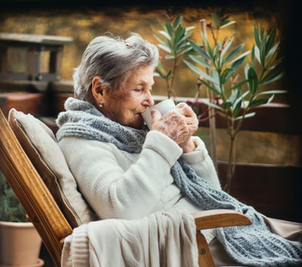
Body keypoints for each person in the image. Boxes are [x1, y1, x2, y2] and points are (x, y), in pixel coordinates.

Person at [56, 32, 302, 266]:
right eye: (139, 89)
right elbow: (121, 209)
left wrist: (185, 146)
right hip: (195, 242)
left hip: (220, 228)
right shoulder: (82, 140)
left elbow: (211, 194)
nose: (150, 101)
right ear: (100, 90)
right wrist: (162, 141)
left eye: (150, 89)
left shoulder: (129, 133)